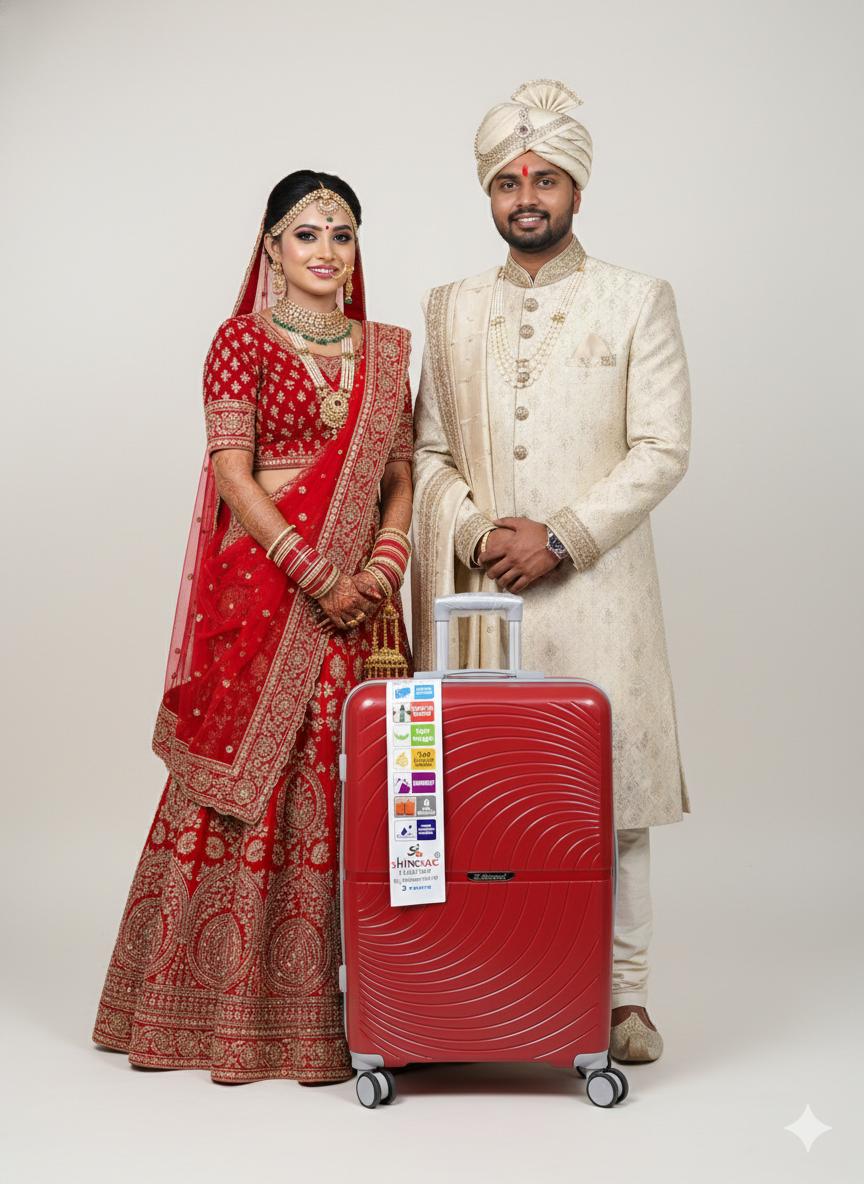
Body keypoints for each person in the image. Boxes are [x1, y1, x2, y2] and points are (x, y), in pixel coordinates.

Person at [93, 170, 414, 1085]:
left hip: (365, 601)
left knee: (356, 776)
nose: (326, 252)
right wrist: (315, 573)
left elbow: (399, 475)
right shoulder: (240, 341)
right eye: (307, 234)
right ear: (271, 247)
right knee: (248, 776)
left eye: (342, 235)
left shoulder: (387, 351)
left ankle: (378, 1009)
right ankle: (214, 1008)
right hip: (271, 588)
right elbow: (233, 473)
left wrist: (381, 568)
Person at [412, 81, 691, 1063]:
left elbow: (662, 447)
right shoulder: (450, 309)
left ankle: (624, 1000)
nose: (525, 196)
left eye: (544, 179)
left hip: (598, 589)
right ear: (488, 194)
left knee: (610, 799)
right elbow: (427, 452)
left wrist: (562, 537)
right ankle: (483, 981)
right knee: (478, 792)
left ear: (576, 187)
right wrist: (476, 530)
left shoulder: (637, 298)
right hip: (482, 596)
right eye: (508, 181)